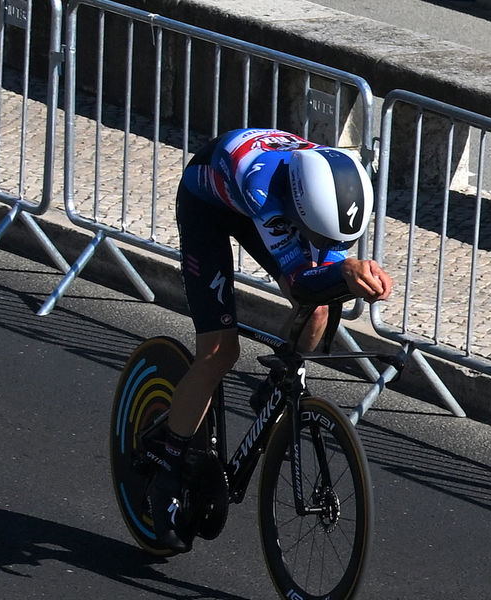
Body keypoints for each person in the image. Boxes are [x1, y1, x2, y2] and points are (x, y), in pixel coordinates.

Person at [148, 128, 393, 552]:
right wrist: (344, 271)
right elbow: (299, 281)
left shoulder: (340, 183)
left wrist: (348, 272)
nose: (327, 245)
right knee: (220, 352)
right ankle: (167, 463)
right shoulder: (259, 183)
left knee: (319, 309)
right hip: (210, 205)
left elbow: (322, 273)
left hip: (279, 204)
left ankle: (279, 383)